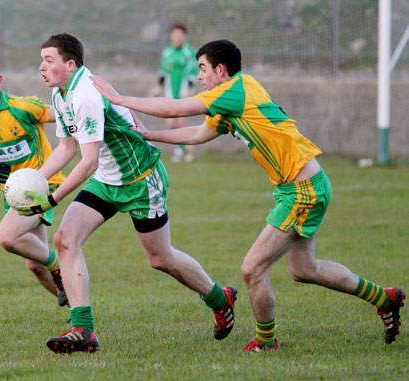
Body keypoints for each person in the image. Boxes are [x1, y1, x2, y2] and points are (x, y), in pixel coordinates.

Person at [91, 39, 405, 351]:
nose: (199, 76)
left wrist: (120, 99)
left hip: (303, 191)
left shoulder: (237, 90)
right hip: (297, 187)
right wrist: (149, 135)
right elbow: (199, 133)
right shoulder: (231, 99)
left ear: (220, 69)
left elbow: (175, 107)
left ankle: (266, 341)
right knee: (304, 270)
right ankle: (385, 298)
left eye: (203, 69)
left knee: (252, 269)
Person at [16, 33, 237, 354]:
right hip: (107, 179)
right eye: (42, 59)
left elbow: (87, 161)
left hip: (140, 178)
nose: (41, 66)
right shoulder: (61, 94)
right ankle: (84, 330)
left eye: (48, 60)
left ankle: (220, 297)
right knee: (65, 239)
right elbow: (67, 149)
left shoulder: (85, 93)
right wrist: (34, 182)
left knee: (161, 259)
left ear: (70, 64)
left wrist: (50, 199)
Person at [0, 55, 68, 307]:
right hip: (15, 193)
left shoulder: (23, 107)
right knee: (33, 264)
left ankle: (58, 267)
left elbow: (64, 115)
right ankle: (80, 313)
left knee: (6, 237)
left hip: (44, 183)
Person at [152, 23, 198, 163]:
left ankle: (180, 150)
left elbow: (193, 72)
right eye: (175, 35)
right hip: (171, 91)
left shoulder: (189, 52)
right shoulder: (167, 52)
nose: (177, 38)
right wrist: (158, 87)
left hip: (184, 91)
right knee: (171, 124)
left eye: (180, 35)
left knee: (182, 121)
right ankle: (186, 146)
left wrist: (188, 89)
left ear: (184, 37)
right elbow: (163, 72)